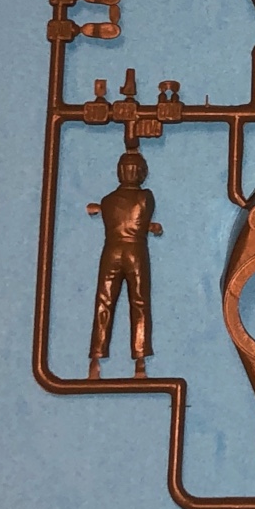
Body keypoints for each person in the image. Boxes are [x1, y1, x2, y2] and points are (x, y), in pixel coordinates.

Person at [86, 150, 162, 379]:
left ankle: (96, 359)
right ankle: (140, 360)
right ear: (141, 173)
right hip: (135, 253)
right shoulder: (146, 197)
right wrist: (150, 227)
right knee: (139, 303)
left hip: (111, 252)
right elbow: (141, 219)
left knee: (104, 302)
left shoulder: (107, 200)